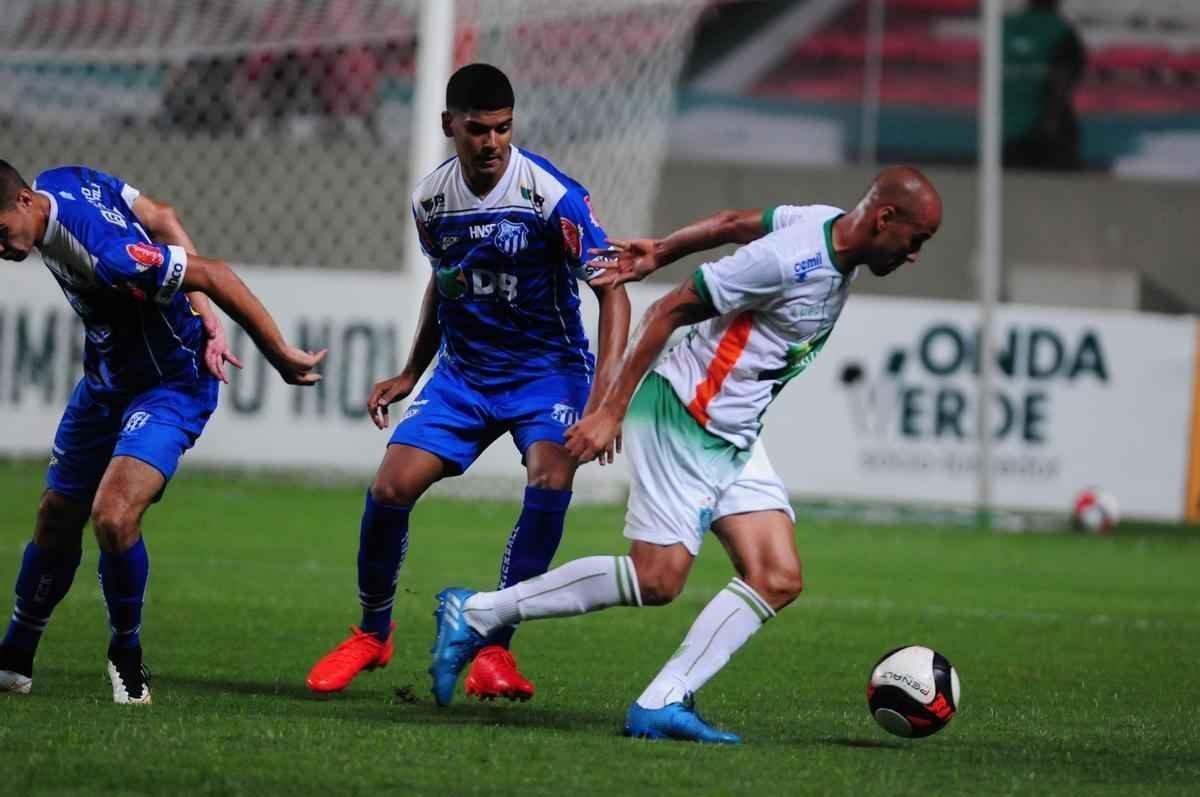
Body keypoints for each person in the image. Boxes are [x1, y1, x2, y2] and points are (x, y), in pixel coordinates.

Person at [428, 167, 942, 741]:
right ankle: (479, 612)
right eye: (916, 240)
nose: (914, 254)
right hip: (685, 415)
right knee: (657, 579)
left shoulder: (824, 223)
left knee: (776, 576)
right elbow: (669, 309)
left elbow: (733, 222)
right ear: (885, 219)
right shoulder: (790, 260)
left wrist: (662, 249)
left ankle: (662, 701)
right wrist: (611, 408)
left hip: (735, 431)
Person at [306, 64, 630, 703]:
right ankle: (373, 633)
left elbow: (613, 292)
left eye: (503, 129)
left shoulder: (551, 196)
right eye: (478, 129)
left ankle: (493, 650)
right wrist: (411, 370)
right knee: (390, 487)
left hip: (547, 371)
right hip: (465, 373)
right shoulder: (431, 200)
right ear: (449, 125)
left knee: (550, 478)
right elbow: (446, 281)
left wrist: (605, 403)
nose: (492, 143)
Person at [0, 160, 326, 703]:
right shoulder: (60, 180)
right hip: (106, 383)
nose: (0, 247)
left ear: (24, 203)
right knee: (56, 514)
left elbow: (214, 273)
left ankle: (126, 655)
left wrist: (279, 354)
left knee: (113, 515)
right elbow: (161, 215)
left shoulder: (107, 255)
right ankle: (15, 656)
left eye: (0, 231)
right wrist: (204, 314)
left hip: (171, 384)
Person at [1003, 0, 1087, 170]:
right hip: (1042, 136)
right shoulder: (1061, 31)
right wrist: (1051, 120)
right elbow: (1063, 79)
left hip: (1002, 131)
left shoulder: (1003, 28)